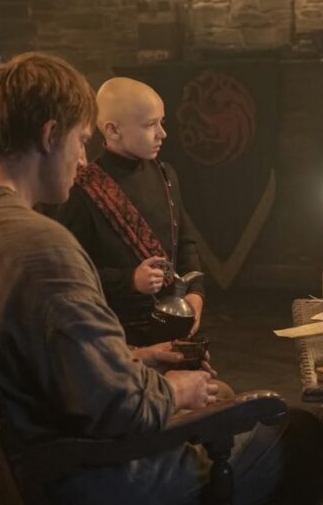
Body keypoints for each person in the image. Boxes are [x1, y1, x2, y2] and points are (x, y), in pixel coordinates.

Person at [0, 53, 323, 505]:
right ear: (50, 134)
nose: (82, 157)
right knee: (297, 434)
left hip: (6, 488)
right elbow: (125, 410)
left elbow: (23, 359)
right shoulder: (37, 245)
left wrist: (139, 354)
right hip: (95, 495)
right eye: (78, 139)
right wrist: (179, 390)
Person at [48, 77, 205, 345]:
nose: (162, 134)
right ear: (113, 130)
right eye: (149, 124)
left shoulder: (166, 175)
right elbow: (72, 275)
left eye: (161, 122)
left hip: (174, 320)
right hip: (118, 334)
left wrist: (196, 295)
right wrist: (130, 280)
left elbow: (186, 243)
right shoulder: (81, 190)